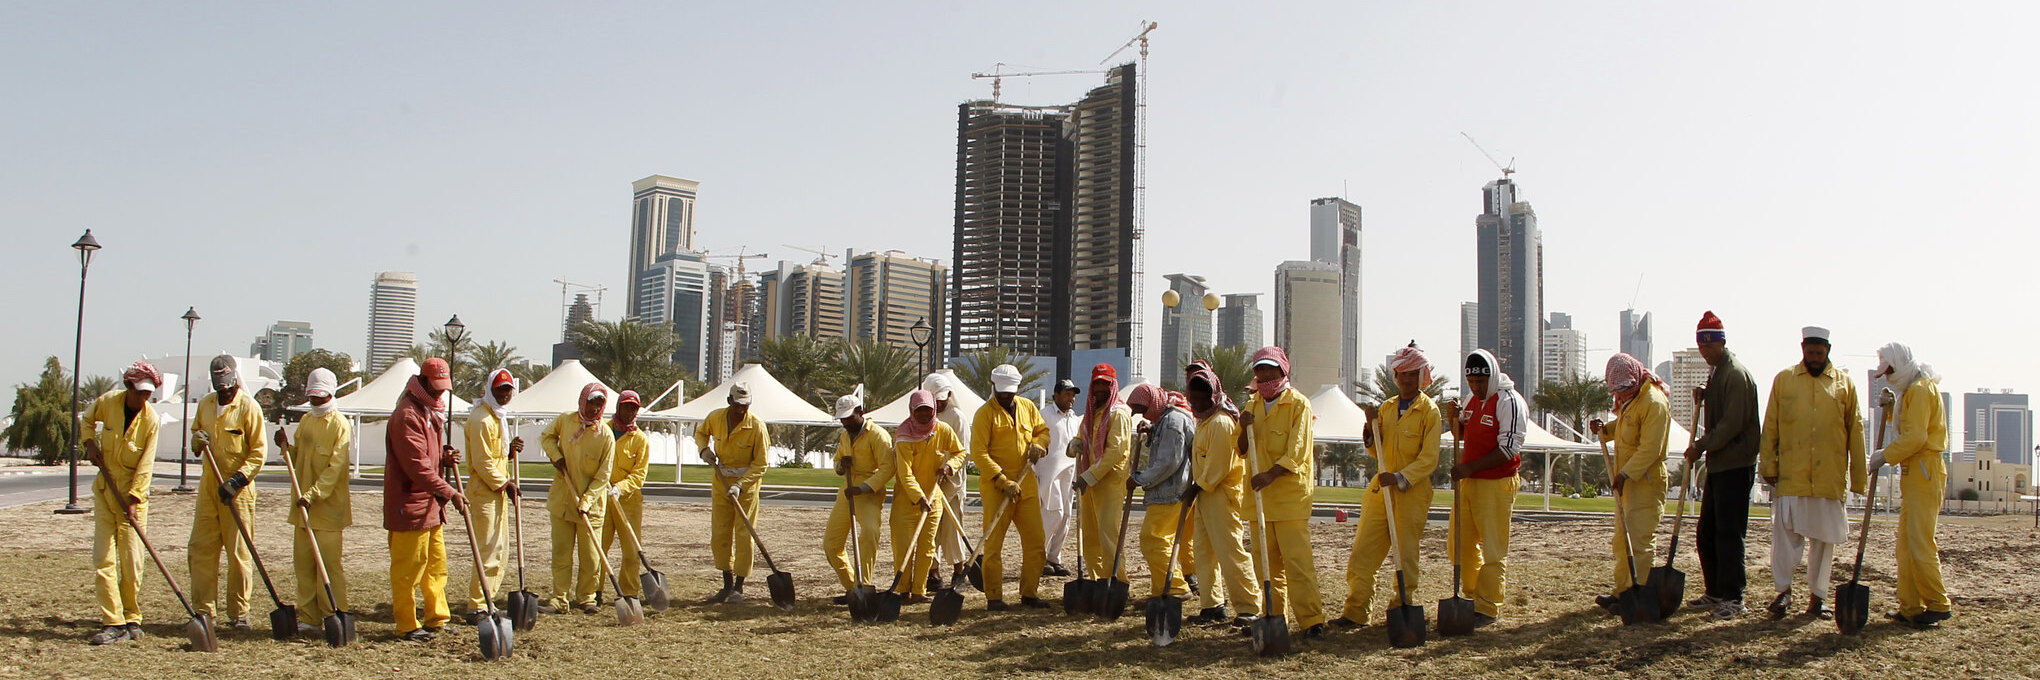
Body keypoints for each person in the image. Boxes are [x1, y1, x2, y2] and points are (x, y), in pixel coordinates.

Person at [1759, 326, 1865, 620]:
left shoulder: (1845, 385)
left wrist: (1859, 478)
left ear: (1828, 351)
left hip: (1828, 479)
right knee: (1785, 539)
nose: (1815, 358)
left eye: (1820, 353)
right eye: (1810, 352)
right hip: (1791, 476)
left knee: (1824, 541)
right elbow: (1771, 426)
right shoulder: (1785, 380)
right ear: (1802, 349)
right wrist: (1767, 465)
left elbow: (1855, 431)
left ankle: (1818, 598)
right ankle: (1783, 592)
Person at [1336, 344, 1441, 629]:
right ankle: (1356, 612)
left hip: (1411, 493)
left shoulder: (1429, 412)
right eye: (1401, 375)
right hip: (1380, 491)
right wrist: (1369, 432)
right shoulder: (1386, 408)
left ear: (1422, 376)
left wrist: (1399, 477)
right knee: (1362, 554)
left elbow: (1429, 458)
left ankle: (1401, 608)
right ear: (1395, 376)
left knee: (1405, 555)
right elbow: (1375, 450)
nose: (1406, 380)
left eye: (1412, 375)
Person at [1236, 346, 1327, 638]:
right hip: (1259, 499)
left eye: (1270, 370)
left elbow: (1297, 452)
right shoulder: (1252, 405)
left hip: (1289, 499)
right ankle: (1274, 615)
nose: (1265, 376)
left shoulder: (1298, 404)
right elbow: (1241, 449)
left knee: (1297, 563)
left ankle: (1312, 621)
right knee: (1266, 565)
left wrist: (1270, 475)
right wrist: (1242, 427)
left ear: (1282, 371)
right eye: (1260, 370)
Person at [1681, 311, 1760, 619]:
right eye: (1701, 348)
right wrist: (1706, 393)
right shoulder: (1717, 373)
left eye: (1709, 347)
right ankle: (1715, 591)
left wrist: (1700, 446)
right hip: (1718, 465)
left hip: (1735, 464)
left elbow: (1731, 425)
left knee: (1729, 533)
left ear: (1722, 343)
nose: (1704, 353)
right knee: (1707, 532)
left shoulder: (1735, 374)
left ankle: (1734, 596)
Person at [385, 357, 466, 641]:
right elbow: (416, 466)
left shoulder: (429, 412)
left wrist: (443, 457)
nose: (440, 393)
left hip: (430, 506)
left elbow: (428, 460)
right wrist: (449, 491)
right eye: (435, 387)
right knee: (408, 570)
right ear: (422, 381)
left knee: (435, 566)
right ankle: (407, 625)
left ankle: (437, 618)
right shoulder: (407, 415)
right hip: (409, 506)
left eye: (443, 388)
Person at [1871, 343, 1951, 627]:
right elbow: (1912, 425)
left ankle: (1938, 603)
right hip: (1915, 470)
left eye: (1890, 371)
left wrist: (1885, 456)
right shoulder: (1912, 390)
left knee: (1919, 540)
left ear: (1900, 364)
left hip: (1924, 468)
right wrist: (1893, 409)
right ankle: (1911, 606)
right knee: (1905, 544)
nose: (1888, 377)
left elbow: (1916, 437)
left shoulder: (1920, 389)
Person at [1446, 349, 1526, 627]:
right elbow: (1462, 435)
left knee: (1493, 548)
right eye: (1471, 382)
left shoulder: (1509, 401)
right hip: (1469, 482)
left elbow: (1509, 449)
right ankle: (1470, 596)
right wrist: (1453, 420)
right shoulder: (1471, 400)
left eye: (1480, 382)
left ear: (1492, 376)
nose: (1476, 387)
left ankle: (1488, 606)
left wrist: (1470, 468)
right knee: (1459, 544)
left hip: (1496, 483)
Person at [83, 361, 161, 645]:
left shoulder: (151, 420)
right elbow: (86, 420)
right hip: (105, 491)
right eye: (139, 392)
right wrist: (89, 442)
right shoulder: (107, 403)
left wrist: (134, 499)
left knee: (131, 561)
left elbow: (146, 465)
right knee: (103, 559)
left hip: (132, 498)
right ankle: (112, 621)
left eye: (148, 393)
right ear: (129, 386)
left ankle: (132, 618)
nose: (143, 398)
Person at [188, 354, 267, 630]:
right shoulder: (206, 405)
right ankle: (204, 611)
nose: (224, 390)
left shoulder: (249, 407)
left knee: (238, 554)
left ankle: (239, 613)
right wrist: (196, 440)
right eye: (218, 385)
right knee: (201, 550)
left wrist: (236, 481)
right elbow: (196, 434)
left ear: (235, 378)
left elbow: (258, 453)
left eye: (227, 384)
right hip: (209, 489)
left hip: (238, 492)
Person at [1591, 352, 1671, 615]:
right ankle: (1622, 591)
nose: (1621, 395)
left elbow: (1650, 448)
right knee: (1621, 539)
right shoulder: (1631, 401)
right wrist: (1604, 430)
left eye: (1624, 390)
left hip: (1645, 482)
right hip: (1625, 482)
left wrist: (1624, 474)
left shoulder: (1653, 402)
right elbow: (1624, 428)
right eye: (1617, 392)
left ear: (1635, 379)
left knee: (1639, 540)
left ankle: (1641, 592)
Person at [275, 368, 354, 633]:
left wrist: (313, 495)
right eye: (313, 398)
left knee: (329, 567)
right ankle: (309, 618)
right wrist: (286, 447)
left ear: (331, 394)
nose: (317, 402)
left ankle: (335, 614)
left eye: (321, 398)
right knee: (304, 565)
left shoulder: (340, 424)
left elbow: (335, 467)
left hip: (328, 511)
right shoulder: (307, 421)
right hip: (302, 508)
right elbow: (299, 457)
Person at [1183, 363, 1261, 627]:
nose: (1195, 400)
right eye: (1192, 396)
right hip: (1205, 494)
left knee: (1230, 551)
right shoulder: (1204, 422)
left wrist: (1195, 486)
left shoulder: (1221, 423)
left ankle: (1249, 607)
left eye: (1201, 395)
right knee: (1203, 552)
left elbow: (1218, 467)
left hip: (1222, 495)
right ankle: (1212, 604)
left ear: (1213, 394)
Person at [969, 364, 1052, 609]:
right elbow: (979, 452)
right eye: (1001, 391)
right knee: (993, 545)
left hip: (1026, 485)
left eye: (1010, 391)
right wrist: (1001, 480)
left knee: (1036, 542)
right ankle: (994, 597)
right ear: (993, 386)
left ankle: (1029, 593)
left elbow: (1043, 431)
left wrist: (1040, 444)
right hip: (997, 488)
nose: (1005, 395)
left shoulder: (1028, 407)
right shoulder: (984, 414)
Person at [540, 384, 616, 614]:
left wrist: (585, 502)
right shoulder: (565, 421)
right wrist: (556, 457)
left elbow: (604, 476)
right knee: (561, 552)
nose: (594, 408)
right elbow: (546, 437)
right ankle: (559, 598)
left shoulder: (605, 436)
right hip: (563, 500)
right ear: (582, 401)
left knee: (591, 557)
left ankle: (587, 598)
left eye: (599, 404)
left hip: (590, 507)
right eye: (591, 402)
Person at [696, 383, 771, 604]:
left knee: (744, 534)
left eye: (745, 406)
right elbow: (701, 433)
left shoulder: (757, 426)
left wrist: (740, 485)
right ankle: (726, 584)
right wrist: (704, 450)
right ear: (729, 402)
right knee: (720, 533)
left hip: (745, 488)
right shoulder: (715, 418)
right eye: (738, 405)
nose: (741, 410)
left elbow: (761, 464)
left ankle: (739, 586)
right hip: (721, 481)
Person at [892, 390, 964, 603]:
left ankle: (919, 591)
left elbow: (960, 452)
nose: (924, 414)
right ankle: (903, 590)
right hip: (907, 501)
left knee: (927, 547)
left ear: (934, 409)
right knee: (904, 547)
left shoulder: (943, 429)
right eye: (919, 410)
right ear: (912, 411)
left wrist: (950, 466)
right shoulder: (903, 435)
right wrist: (918, 496)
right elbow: (905, 473)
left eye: (928, 410)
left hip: (934, 498)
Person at [824, 387, 895, 602]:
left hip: (869, 492)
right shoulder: (845, 436)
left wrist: (864, 487)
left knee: (869, 534)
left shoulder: (878, 435)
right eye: (842, 419)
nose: (845, 423)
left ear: (861, 411)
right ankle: (852, 588)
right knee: (831, 544)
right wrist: (840, 466)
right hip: (847, 491)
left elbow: (887, 468)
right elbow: (837, 462)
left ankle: (864, 584)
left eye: (849, 417)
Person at [461, 368, 521, 622]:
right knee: (486, 549)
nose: (505, 394)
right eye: (500, 389)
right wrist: (505, 484)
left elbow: (495, 457)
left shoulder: (497, 417)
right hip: (483, 492)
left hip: (496, 490)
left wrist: (510, 452)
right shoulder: (481, 420)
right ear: (490, 390)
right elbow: (482, 462)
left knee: (499, 548)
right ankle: (477, 604)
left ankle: (488, 600)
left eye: (508, 389)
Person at [1128, 383, 1195, 605]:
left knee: (1153, 540)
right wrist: (1152, 430)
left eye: (1143, 409)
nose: (1142, 414)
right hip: (1170, 490)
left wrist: (1140, 478)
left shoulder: (1173, 421)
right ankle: (1160, 591)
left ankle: (1176, 586)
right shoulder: (1165, 420)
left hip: (1171, 491)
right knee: (1159, 541)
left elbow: (1169, 461)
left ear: (1154, 402)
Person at [1071, 364, 1133, 590]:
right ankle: (1098, 582)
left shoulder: (1119, 413)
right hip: (1088, 481)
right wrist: (1075, 444)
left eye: (1104, 385)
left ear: (1113, 386)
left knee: (1109, 536)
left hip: (1109, 482)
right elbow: (1081, 438)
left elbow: (1115, 452)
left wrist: (1090, 475)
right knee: (1090, 536)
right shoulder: (1091, 413)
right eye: (1096, 383)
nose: (1099, 389)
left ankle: (1117, 582)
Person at [922, 373, 971, 591]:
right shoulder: (922, 416)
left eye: (943, 398)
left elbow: (964, 451)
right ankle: (933, 571)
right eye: (936, 399)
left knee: (952, 527)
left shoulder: (956, 416)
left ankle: (959, 571)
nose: (940, 402)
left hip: (952, 482)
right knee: (930, 526)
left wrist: (948, 467)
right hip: (929, 481)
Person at [603, 390, 651, 602]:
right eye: (626, 406)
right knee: (598, 547)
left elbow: (639, 474)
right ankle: (593, 592)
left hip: (628, 501)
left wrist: (620, 488)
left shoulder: (640, 439)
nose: (630, 411)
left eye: (634, 408)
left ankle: (629, 593)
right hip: (601, 497)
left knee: (631, 551)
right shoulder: (601, 429)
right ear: (618, 407)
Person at [1037, 379, 1082, 577]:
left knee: (1066, 516)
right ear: (1056, 395)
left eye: (1072, 394)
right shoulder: (1044, 415)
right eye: (1066, 394)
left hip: (1069, 471)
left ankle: (1054, 558)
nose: (1071, 398)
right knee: (1053, 512)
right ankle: (1039, 556)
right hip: (1048, 471)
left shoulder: (1074, 419)